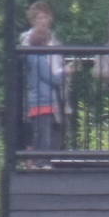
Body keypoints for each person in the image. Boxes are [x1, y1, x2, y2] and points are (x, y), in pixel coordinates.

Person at [22, 22, 64, 166]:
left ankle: (34, 160)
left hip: (36, 101)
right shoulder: (40, 59)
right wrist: (66, 72)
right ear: (44, 42)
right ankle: (41, 162)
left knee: (38, 133)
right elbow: (52, 79)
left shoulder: (31, 58)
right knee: (44, 136)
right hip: (43, 101)